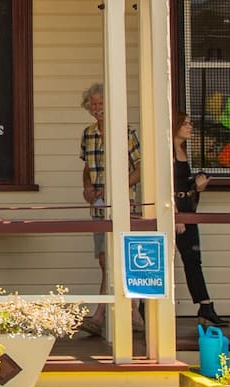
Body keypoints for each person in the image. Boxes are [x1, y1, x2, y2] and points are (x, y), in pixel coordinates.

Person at [77, 83, 143, 335]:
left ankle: (103, 314)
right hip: (98, 208)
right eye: (93, 104)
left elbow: (139, 169)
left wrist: (116, 187)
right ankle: (133, 314)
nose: (97, 108)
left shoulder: (126, 133)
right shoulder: (88, 134)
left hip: (123, 205)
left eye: (102, 104)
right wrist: (87, 188)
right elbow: (87, 168)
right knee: (105, 259)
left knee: (123, 258)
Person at [170, 112, 223, 327]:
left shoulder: (183, 151)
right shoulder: (167, 152)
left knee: (193, 258)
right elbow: (166, 186)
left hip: (188, 208)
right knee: (163, 260)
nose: (190, 126)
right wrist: (175, 216)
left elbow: (184, 185)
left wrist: (198, 186)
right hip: (174, 210)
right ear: (175, 126)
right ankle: (146, 309)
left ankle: (205, 306)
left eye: (190, 123)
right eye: (185, 123)